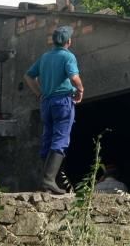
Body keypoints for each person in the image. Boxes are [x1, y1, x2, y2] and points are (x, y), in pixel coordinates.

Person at [23, 25, 84, 194]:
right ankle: (48, 180)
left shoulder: (45, 57)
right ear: (68, 41)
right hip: (62, 101)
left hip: (46, 103)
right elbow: (74, 76)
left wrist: (39, 93)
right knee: (61, 138)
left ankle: (47, 182)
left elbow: (28, 75)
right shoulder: (68, 56)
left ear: (53, 41)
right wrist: (80, 90)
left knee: (48, 138)